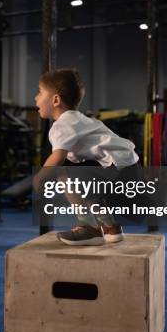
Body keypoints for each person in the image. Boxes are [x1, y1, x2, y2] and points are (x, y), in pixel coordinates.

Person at [33, 68, 140, 246]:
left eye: (40, 92)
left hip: (118, 169)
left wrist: (40, 177)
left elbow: (57, 158)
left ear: (56, 100)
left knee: (62, 174)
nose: (36, 98)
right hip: (128, 167)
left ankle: (89, 228)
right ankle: (111, 227)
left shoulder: (63, 124)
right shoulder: (79, 119)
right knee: (84, 182)